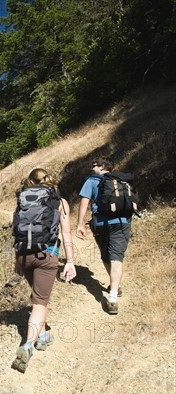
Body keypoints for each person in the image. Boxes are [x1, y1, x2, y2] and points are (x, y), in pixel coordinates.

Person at [11, 168, 77, 373]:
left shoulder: (22, 201)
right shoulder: (60, 202)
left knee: (39, 297)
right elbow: (66, 234)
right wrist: (70, 261)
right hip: (46, 256)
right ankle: (28, 345)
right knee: (40, 303)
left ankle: (41, 337)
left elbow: (17, 232)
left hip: (24, 255)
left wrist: (17, 262)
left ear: (30, 182)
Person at [76, 158, 131, 315]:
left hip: (100, 224)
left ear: (102, 167)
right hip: (122, 223)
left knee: (107, 255)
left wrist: (79, 224)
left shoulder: (91, 181)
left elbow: (84, 202)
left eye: (94, 165)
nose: (92, 168)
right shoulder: (121, 179)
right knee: (117, 257)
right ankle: (114, 293)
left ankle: (114, 292)